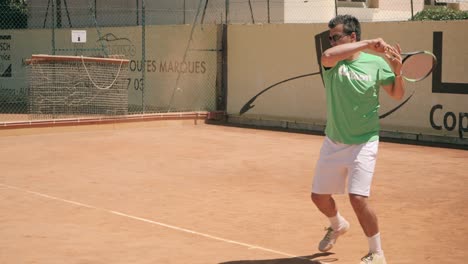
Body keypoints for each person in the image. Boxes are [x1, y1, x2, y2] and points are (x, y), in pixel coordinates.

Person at [311, 15, 404, 264]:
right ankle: (338, 225)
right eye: (330, 38)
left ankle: (377, 253)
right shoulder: (332, 63)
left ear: (352, 36)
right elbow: (328, 56)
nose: (331, 42)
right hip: (334, 141)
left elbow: (396, 94)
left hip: (365, 141)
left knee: (358, 198)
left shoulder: (376, 64)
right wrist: (368, 44)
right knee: (318, 197)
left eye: (336, 36)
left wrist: (397, 73)